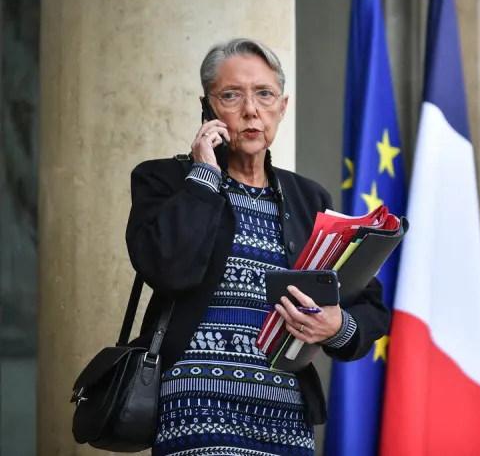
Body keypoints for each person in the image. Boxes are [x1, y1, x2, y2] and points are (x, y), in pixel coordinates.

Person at [126, 37, 390, 456]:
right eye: (231, 95)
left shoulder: (310, 199)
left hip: (286, 418)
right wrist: (203, 178)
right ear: (208, 107)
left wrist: (337, 327)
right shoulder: (164, 181)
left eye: (264, 94)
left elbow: (369, 303)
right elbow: (166, 268)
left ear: (282, 108)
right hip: (195, 410)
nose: (250, 110)